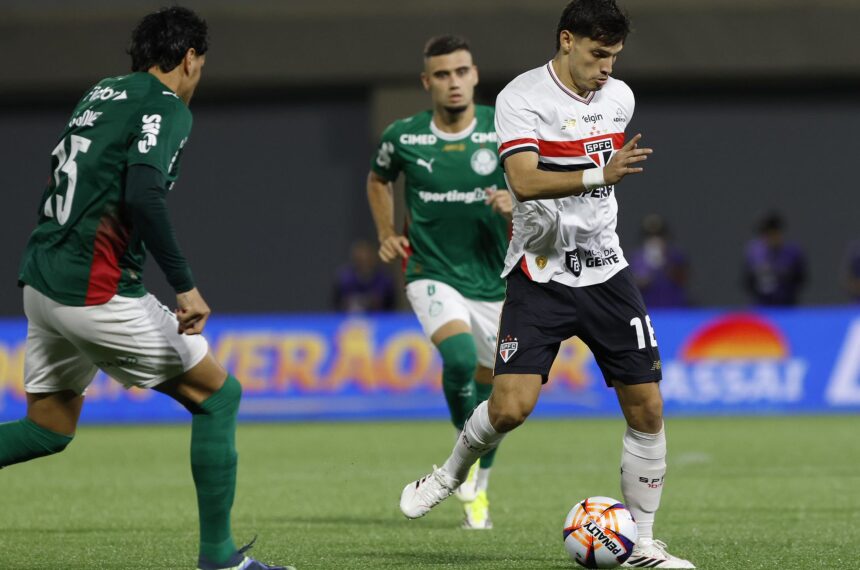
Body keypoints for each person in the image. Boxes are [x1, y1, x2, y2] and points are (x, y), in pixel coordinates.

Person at [397, 2, 695, 567]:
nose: (607, 68)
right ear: (566, 40)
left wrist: (600, 179)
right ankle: (448, 475)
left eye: (614, 56)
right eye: (598, 54)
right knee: (510, 408)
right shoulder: (521, 97)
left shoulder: (619, 98)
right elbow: (524, 180)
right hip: (540, 272)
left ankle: (642, 544)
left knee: (648, 409)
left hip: (606, 271)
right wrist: (600, 173)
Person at [1, 8, 292, 570]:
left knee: (47, 429)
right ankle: (220, 558)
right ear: (190, 58)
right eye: (200, 64)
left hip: (42, 280)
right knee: (219, 397)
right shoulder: (167, 106)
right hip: (94, 290)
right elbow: (143, 194)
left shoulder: (101, 92)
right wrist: (185, 286)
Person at [367, 35, 513, 529]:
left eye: (462, 72)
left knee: (496, 396)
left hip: (493, 280)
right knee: (459, 358)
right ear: (427, 82)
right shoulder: (403, 137)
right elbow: (378, 179)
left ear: (475, 75)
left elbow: (536, 186)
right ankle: (462, 462)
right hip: (429, 271)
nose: (454, 82)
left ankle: (478, 483)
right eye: (443, 74)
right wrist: (386, 232)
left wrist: (515, 202)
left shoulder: (503, 127)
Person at [742, 212, 806, 306]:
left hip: (787, 305)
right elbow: (746, 281)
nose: (771, 238)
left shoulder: (792, 253)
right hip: (761, 305)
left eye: (774, 233)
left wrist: (784, 277)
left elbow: (801, 279)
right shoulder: (754, 253)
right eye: (767, 234)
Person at [629, 214, 690, 308]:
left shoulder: (675, 256)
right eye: (649, 236)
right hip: (648, 309)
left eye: (659, 235)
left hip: (675, 308)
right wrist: (648, 273)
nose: (654, 239)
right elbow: (632, 286)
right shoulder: (637, 258)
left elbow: (684, 280)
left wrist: (664, 262)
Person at [333, 240, 396, 313]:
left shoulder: (385, 280)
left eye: (368, 258)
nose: (364, 262)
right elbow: (336, 306)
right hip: (350, 318)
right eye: (360, 259)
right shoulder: (344, 279)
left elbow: (392, 308)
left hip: (379, 318)